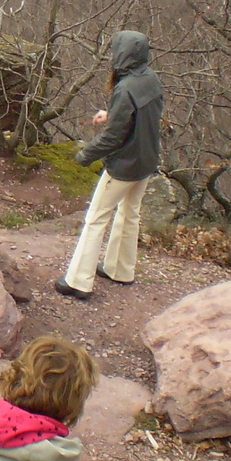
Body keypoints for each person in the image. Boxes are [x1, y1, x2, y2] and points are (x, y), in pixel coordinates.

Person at [55, 30, 163, 300]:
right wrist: (111, 114)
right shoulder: (150, 78)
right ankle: (120, 269)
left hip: (125, 166)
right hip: (147, 161)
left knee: (96, 219)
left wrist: (84, 156)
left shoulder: (125, 87)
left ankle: (79, 281)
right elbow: (137, 116)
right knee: (130, 214)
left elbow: (114, 137)